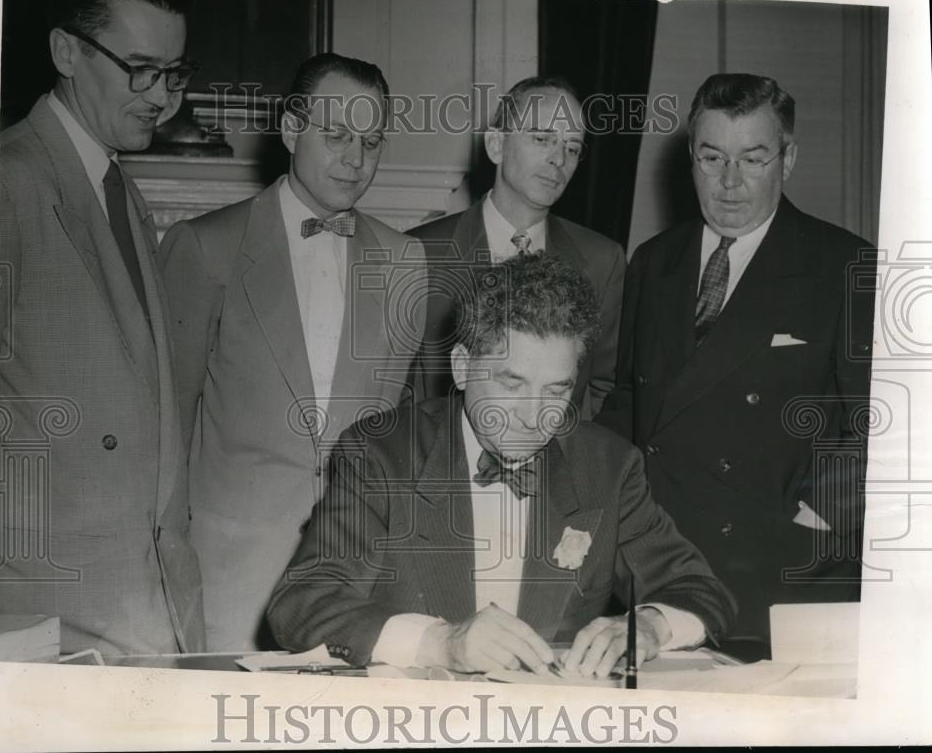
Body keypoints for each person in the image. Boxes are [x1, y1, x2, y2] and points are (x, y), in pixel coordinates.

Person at [267, 252, 735, 676]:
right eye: (512, 384)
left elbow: (702, 592)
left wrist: (649, 626)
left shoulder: (608, 467)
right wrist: (439, 642)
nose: (535, 418)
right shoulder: (381, 454)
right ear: (462, 367)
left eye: (557, 390)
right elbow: (302, 603)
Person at [597, 73, 875, 655]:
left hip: (781, 566)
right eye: (711, 157)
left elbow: (889, 421)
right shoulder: (653, 261)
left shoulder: (847, 264)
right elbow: (626, 402)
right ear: (690, 159)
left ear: (788, 158)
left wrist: (816, 519)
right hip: (661, 564)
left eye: (753, 158)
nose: (729, 183)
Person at [158, 52, 427, 651]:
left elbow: (396, 434)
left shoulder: (405, 261)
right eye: (336, 136)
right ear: (290, 130)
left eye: (371, 141)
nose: (355, 160)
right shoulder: (204, 248)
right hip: (230, 579)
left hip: (351, 582)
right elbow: (164, 429)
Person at [0, 0, 205, 656]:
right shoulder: (3, 181)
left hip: (137, 604)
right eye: (140, 69)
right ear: (66, 51)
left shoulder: (120, 190)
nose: (162, 98)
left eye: (173, 72)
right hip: (41, 608)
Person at [407, 76, 624, 417]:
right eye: (542, 139)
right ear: (496, 145)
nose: (559, 159)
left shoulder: (603, 261)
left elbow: (602, 388)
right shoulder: (418, 252)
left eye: (572, 148)